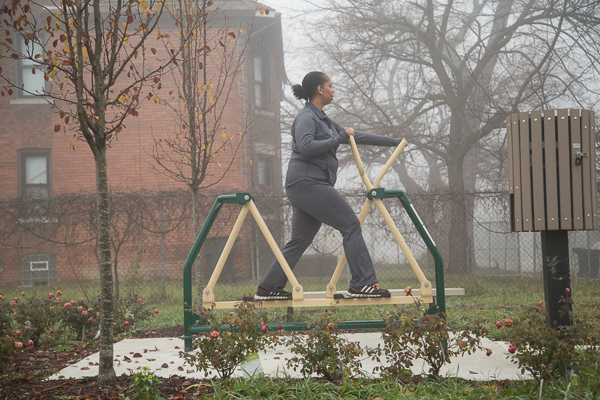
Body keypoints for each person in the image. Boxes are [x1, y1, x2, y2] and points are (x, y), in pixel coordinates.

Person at [254, 71, 403, 300]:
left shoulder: (323, 119)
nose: (334, 90)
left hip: (306, 185)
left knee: (300, 239)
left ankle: (269, 286)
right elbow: (306, 147)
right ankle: (362, 283)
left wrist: (393, 142)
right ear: (320, 90)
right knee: (350, 224)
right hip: (307, 183)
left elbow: (354, 137)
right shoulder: (306, 117)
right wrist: (339, 137)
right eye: (331, 86)